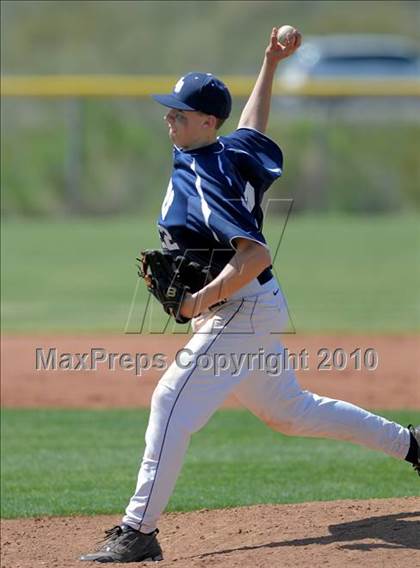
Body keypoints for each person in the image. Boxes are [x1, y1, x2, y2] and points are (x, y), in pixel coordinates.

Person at [80, 26, 419, 563]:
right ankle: (413, 445)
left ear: (205, 122)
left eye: (180, 113)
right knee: (291, 412)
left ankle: (138, 530)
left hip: (238, 309)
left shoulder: (208, 176)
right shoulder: (227, 148)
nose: (170, 118)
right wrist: (270, 63)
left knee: (170, 401)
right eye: (170, 110)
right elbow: (252, 125)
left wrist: (197, 302)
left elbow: (255, 254)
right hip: (252, 306)